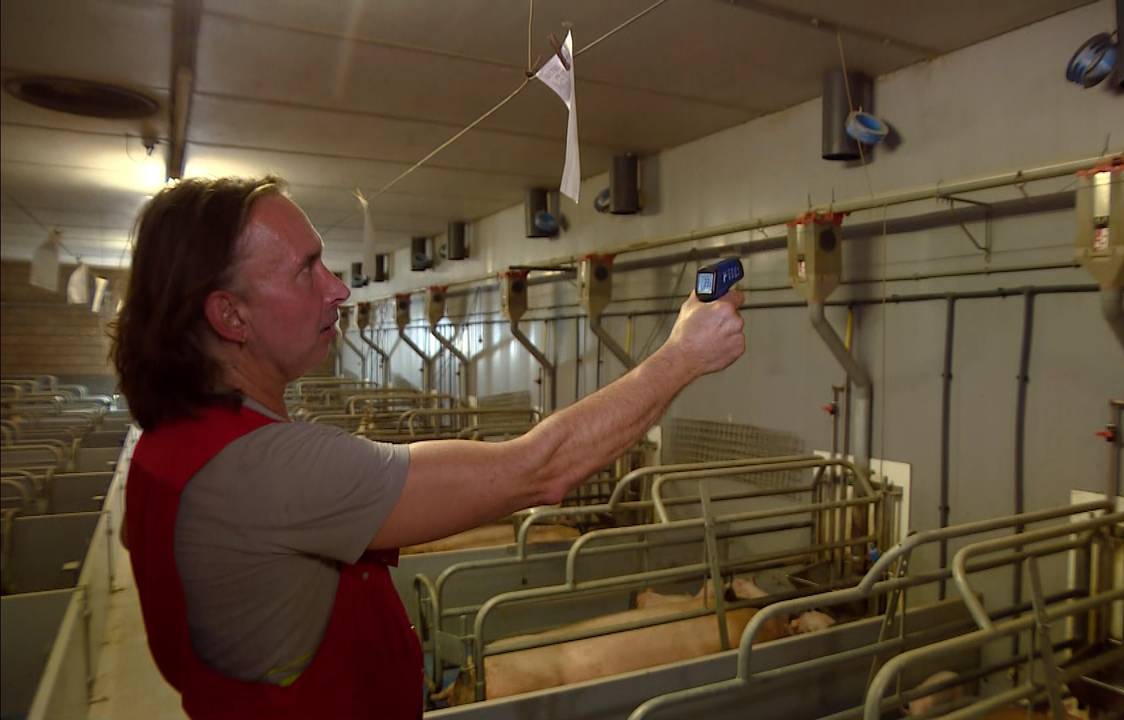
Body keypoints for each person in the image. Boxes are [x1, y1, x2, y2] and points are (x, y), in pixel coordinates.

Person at [111, 176, 746, 719]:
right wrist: (682, 356)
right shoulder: (263, 470)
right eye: (308, 269)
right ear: (230, 316)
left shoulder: (166, 443)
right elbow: (539, 470)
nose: (337, 289)